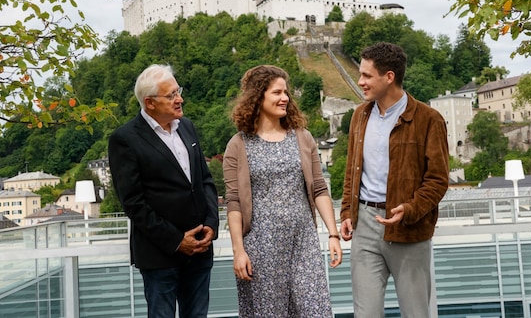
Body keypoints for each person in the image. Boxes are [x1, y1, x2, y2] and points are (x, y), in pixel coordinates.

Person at [339, 42, 449, 317]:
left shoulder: (428, 119)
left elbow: (438, 180)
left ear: (389, 77)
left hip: (409, 229)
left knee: (415, 313)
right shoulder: (359, 116)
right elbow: (352, 170)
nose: (360, 81)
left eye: (366, 75)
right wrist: (346, 212)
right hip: (364, 225)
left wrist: (409, 210)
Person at [223, 65, 342, 317]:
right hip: (261, 247)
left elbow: (319, 188)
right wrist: (238, 251)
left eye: (286, 92)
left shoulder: (303, 137)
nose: (285, 98)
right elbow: (233, 202)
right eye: (277, 92)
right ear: (258, 96)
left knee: (316, 310)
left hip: (303, 242)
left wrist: (333, 234)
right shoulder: (238, 145)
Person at [108, 64, 219, 318]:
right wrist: (178, 241)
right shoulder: (124, 139)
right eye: (171, 95)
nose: (179, 99)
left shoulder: (187, 127)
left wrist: (212, 223)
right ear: (150, 103)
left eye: (178, 91)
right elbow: (134, 204)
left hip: (200, 251)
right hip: (160, 257)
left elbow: (205, 181)